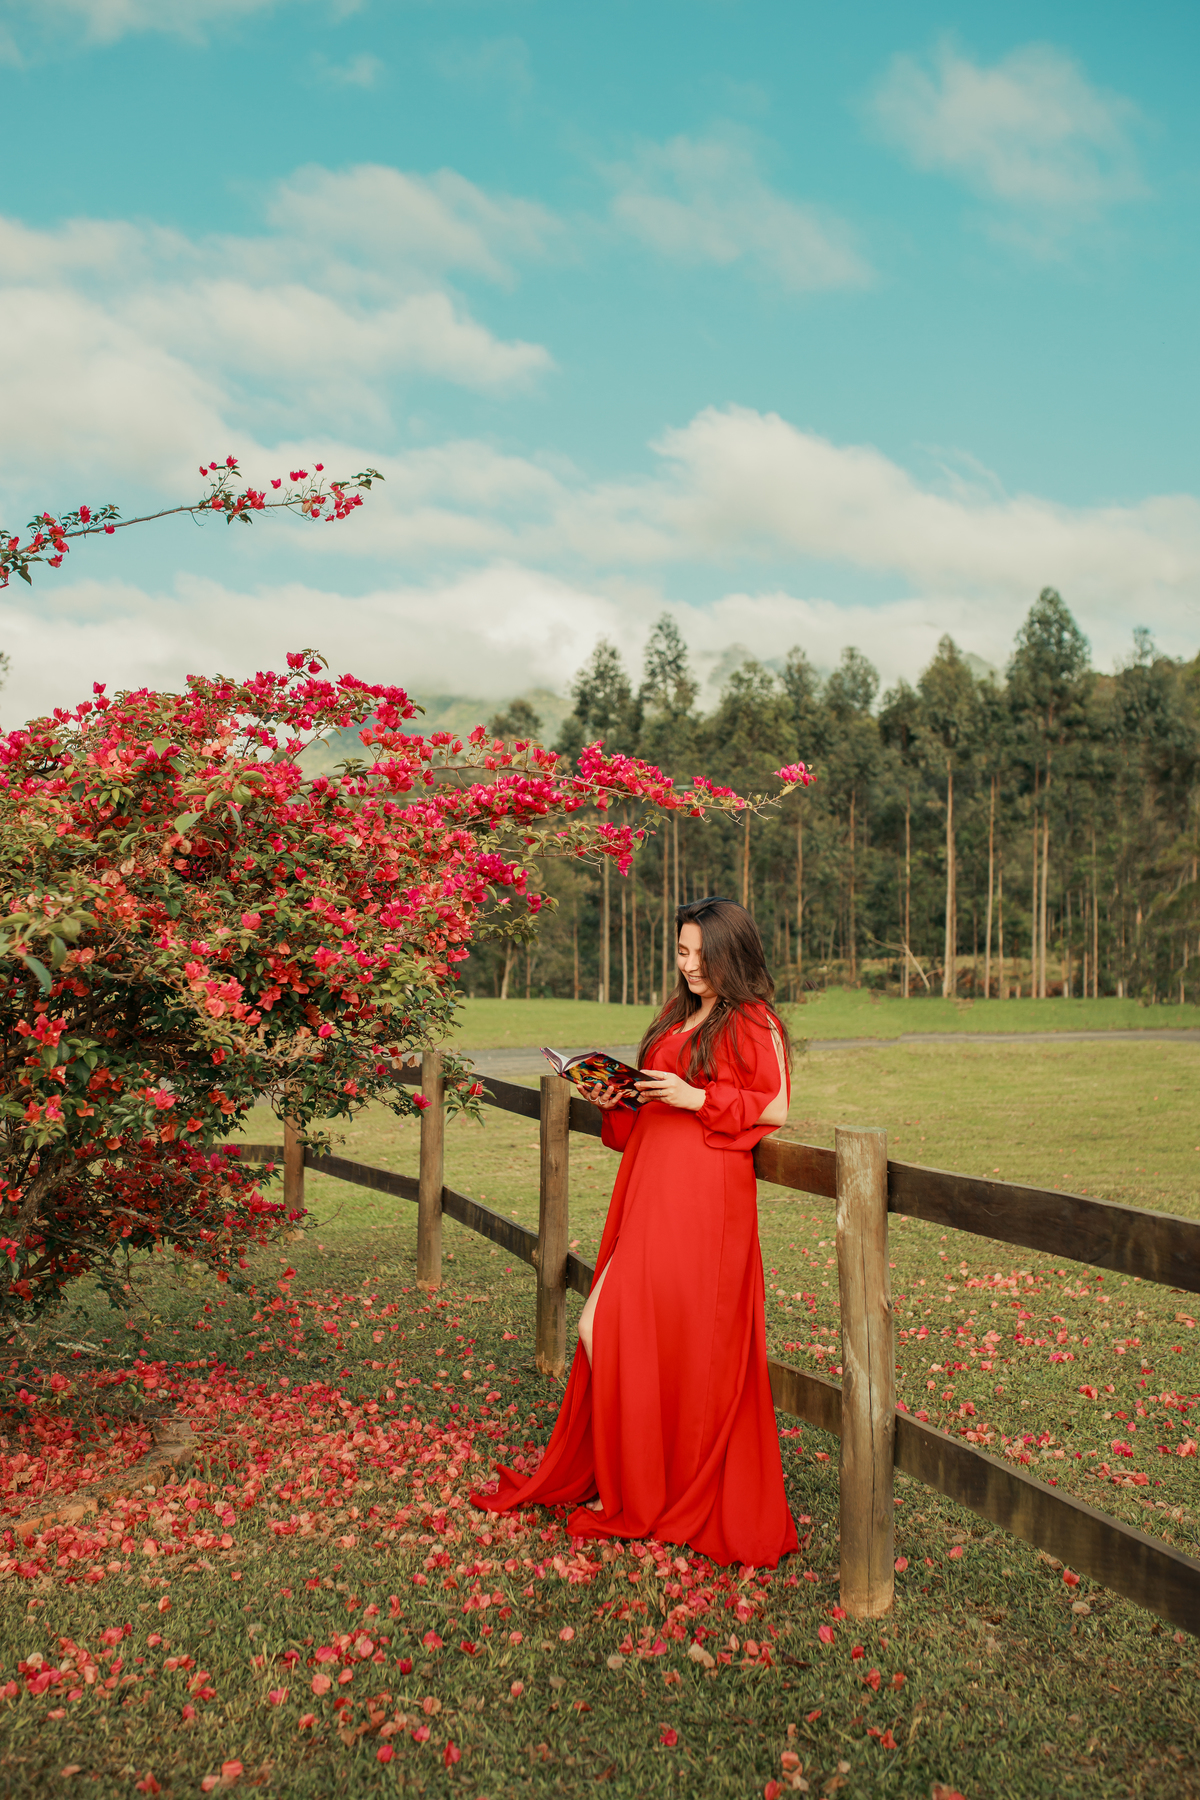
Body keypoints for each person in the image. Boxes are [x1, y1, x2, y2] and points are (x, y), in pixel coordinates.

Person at [470, 895, 799, 1568]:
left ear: (731, 956)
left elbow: (779, 1106)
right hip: (652, 1184)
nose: (690, 966)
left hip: (703, 1193)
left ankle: (652, 1490)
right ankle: (637, 1485)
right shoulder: (681, 1014)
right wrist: (617, 1097)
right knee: (610, 1329)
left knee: (637, 1331)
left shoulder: (753, 1019)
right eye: (682, 953)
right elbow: (654, 1107)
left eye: (702, 956)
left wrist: (696, 1098)